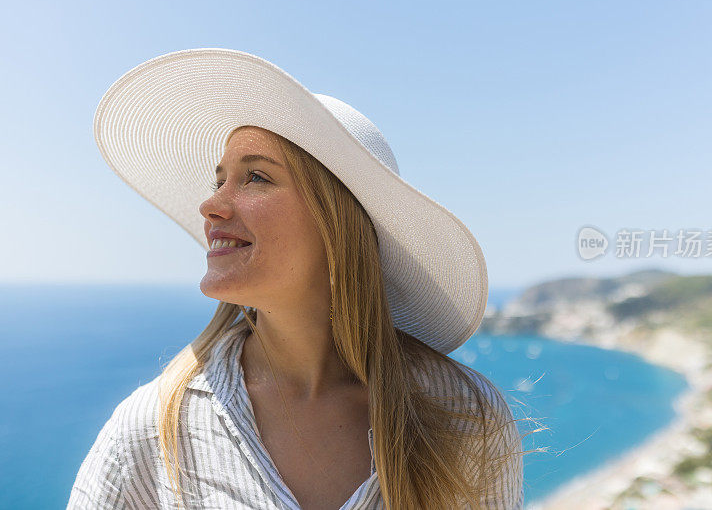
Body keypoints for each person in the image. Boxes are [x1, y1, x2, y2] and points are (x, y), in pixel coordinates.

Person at [67, 48, 530, 509]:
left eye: (255, 177)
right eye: (219, 180)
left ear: (336, 224)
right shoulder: (156, 429)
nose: (210, 205)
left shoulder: (465, 415)